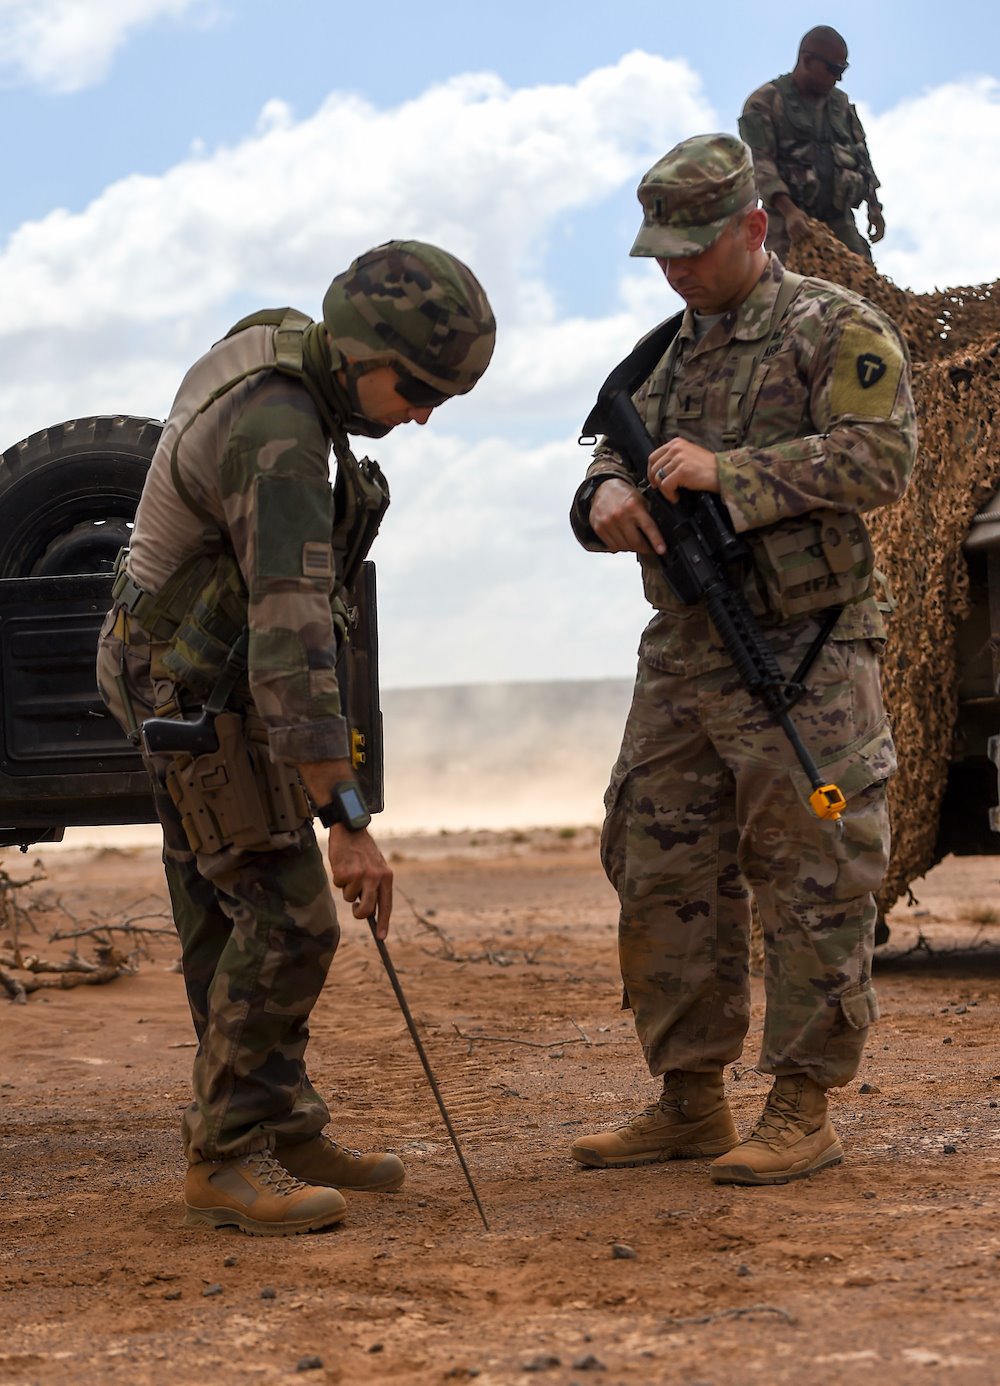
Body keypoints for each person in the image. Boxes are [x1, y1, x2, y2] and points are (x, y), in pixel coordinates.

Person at [97, 240, 495, 1235]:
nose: (424, 413)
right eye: (416, 387)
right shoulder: (281, 435)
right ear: (360, 351)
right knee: (292, 916)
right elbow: (292, 641)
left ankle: (273, 1121)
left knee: (224, 903)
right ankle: (227, 1156)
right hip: (187, 674)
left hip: (184, 660)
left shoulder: (293, 361)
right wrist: (345, 817)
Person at [568, 134, 915, 1185]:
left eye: (694, 250)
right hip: (683, 652)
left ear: (753, 228)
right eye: (661, 254)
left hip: (802, 649)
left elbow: (882, 457)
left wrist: (733, 474)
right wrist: (601, 500)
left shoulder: (832, 329)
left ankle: (801, 1105)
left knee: (815, 873)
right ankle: (688, 1100)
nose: (675, 271)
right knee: (659, 862)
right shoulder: (660, 356)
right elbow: (604, 457)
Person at [739, 26, 884, 262]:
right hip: (787, 219)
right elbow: (760, 165)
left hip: (838, 217)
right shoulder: (764, 102)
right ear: (807, 60)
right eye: (833, 68)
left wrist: (874, 206)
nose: (839, 77)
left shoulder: (840, 105)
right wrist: (789, 212)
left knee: (863, 285)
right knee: (790, 288)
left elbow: (860, 154)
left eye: (843, 69)